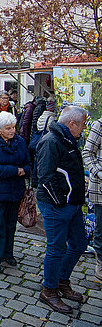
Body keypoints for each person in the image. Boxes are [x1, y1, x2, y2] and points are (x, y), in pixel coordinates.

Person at [36, 105, 88, 314]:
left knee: (79, 243)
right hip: (57, 205)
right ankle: (49, 290)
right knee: (56, 248)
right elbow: (45, 176)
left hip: (71, 204)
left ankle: (61, 281)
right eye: (83, 124)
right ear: (72, 123)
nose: (84, 128)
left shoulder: (68, 139)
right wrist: (60, 201)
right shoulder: (51, 141)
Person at [0, 112, 30, 274]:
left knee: (11, 224)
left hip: (15, 190)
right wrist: (16, 170)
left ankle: (8, 253)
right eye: (8, 128)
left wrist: (25, 170)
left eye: (13, 127)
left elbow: (29, 164)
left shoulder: (20, 142)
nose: (12, 131)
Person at [83, 116, 102, 280]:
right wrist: (98, 172)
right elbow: (87, 152)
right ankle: (100, 262)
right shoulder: (100, 125)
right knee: (100, 228)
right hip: (101, 187)